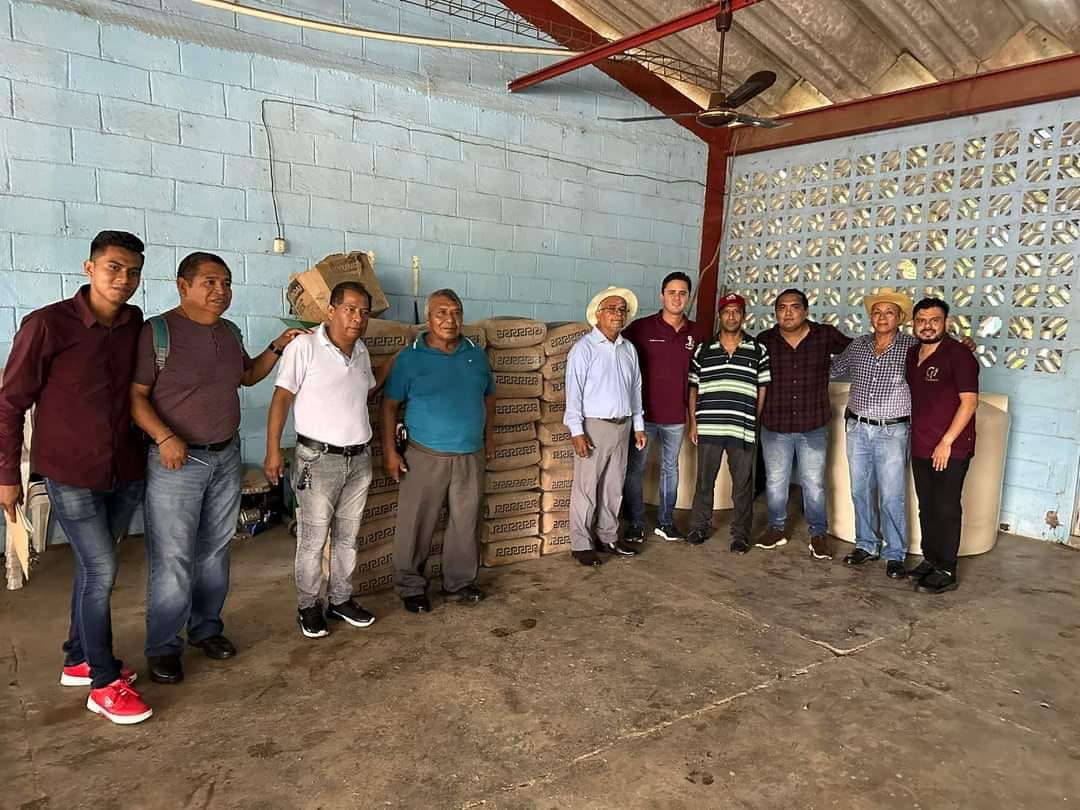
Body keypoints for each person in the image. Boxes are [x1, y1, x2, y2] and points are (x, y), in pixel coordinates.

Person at [131, 252, 305, 684]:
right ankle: (163, 645)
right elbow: (135, 397)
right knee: (173, 556)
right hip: (177, 461)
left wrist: (278, 346)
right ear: (182, 286)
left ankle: (206, 628)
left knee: (215, 550)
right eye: (209, 282)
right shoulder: (157, 332)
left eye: (226, 282)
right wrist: (164, 437)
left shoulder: (228, 332)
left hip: (225, 456)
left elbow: (247, 375)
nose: (221, 290)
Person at [0, 230, 152, 724]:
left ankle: (78, 659)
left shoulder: (133, 322)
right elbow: (9, 404)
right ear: (89, 269)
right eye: (114, 267)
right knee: (102, 570)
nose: (123, 279)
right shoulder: (47, 325)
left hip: (124, 469)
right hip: (70, 472)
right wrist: (7, 475)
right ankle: (103, 684)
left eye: (133, 271)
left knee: (93, 569)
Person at [265, 281, 381, 638]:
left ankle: (341, 599)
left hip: (358, 460)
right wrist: (272, 451)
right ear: (331, 311)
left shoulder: (361, 352)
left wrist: (397, 364)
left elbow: (364, 390)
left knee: (347, 537)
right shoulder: (304, 347)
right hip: (317, 460)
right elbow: (281, 399)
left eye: (364, 312)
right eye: (350, 309)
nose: (357, 318)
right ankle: (308, 605)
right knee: (313, 540)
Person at [382, 289, 494, 613]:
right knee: (416, 523)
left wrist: (489, 437)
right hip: (424, 454)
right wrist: (390, 452)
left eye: (456, 312)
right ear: (428, 319)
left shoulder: (476, 355)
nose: (449, 319)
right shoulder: (410, 358)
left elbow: (489, 396)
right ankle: (410, 587)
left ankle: (459, 583)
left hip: (470, 454)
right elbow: (389, 406)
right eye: (441, 313)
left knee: (466, 523)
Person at [755, 289, 852, 559]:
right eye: (782, 307)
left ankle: (818, 534)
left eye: (794, 307)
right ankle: (776, 529)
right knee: (776, 481)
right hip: (775, 424)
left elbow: (859, 349)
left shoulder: (825, 335)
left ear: (806, 311)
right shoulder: (765, 340)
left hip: (813, 424)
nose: (788, 312)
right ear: (776, 312)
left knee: (814, 483)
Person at [829, 289, 915, 579]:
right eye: (877, 312)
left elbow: (940, 363)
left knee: (892, 495)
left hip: (893, 430)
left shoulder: (912, 347)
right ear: (870, 317)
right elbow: (833, 369)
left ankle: (895, 554)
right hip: (857, 427)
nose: (882, 317)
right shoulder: (858, 345)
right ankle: (866, 545)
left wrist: (964, 346)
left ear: (900, 317)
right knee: (860, 490)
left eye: (889, 312)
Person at [564, 286, 647, 567]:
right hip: (594, 427)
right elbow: (573, 393)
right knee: (586, 488)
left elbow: (635, 389)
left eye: (622, 309)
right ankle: (581, 543)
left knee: (614, 486)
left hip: (623, 426)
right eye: (612, 308)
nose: (618, 314)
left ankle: (608, 536)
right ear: (598, 314)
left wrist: (638, 425)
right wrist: (577, 431)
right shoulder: (584, 349)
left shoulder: (628, 349)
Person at [686, 293, 771, 553]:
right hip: (709, 425)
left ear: (743, 316)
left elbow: (762, 388)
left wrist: (754, 421)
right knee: (704, 482)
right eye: (726, 312)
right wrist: (694, 423)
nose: (731, 316)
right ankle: (699, 527)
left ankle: (741, 534)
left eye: (736, 311)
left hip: (741, 426)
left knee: (743, 485)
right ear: (720, 316)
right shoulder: (703, 350)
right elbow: (693, 388)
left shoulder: (758, 350)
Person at [622, 271, 703, 543]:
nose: (677, 298)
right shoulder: (640, 329)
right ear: (661, 296)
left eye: (682, 293)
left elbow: (697, 380)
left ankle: (666, 522)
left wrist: (693, 419)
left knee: (671, 469)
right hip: (643, 417)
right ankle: (636, 523)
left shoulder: (697, 333)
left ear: (688, 297)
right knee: (636, 468)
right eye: (671, 292)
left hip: (676, 417)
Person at [905, 297, 978, 594]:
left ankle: (946, 569)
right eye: (921, 321)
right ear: (913, 324)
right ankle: (931, 558)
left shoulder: (958, 354)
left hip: (951, 447)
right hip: (921, 444)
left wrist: (946, 442)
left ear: (946, 323)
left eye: (934, 320)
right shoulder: (913, 353)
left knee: (946, 507)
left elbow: (969, 403)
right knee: (927, 506)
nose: (927, 326)